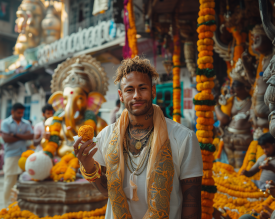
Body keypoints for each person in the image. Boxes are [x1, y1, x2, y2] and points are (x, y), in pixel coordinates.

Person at [74, 56, 203, 219]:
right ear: (121, 95)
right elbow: (107, 191)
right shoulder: (107, 136)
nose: (136, 95)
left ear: (153, 91)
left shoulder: (183, 137)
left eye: (142, 88)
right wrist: (88, 166)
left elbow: (192, 203)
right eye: (129, 90)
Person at [1, 103, 33, 207]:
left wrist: (14, 134)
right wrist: (23, 136)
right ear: (12, 112)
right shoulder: (6, 123)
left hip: (23, 156)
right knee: (9, 181)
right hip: (11, 155)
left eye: (22, 113)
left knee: (23, 181)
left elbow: (31, 136)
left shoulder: (26, 122)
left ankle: (20, 206)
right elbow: (6, 139)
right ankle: (7, 206)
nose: (21, 115)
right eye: (18, 112)